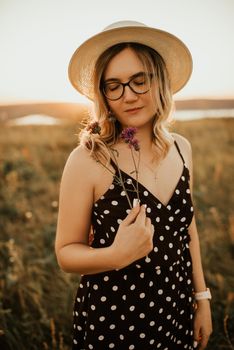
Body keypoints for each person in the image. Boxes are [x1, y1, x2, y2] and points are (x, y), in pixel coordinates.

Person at [55, 20, 212, 350]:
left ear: (160, 81)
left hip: (177, 309)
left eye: (139, 81)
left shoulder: (183, 148)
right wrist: (116, 254)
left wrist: (202, 298)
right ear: (104, 94)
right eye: (114, 85)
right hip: (115, 320)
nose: (128, 96)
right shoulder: (88, 160)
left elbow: (188, 229)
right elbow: (66, 253)